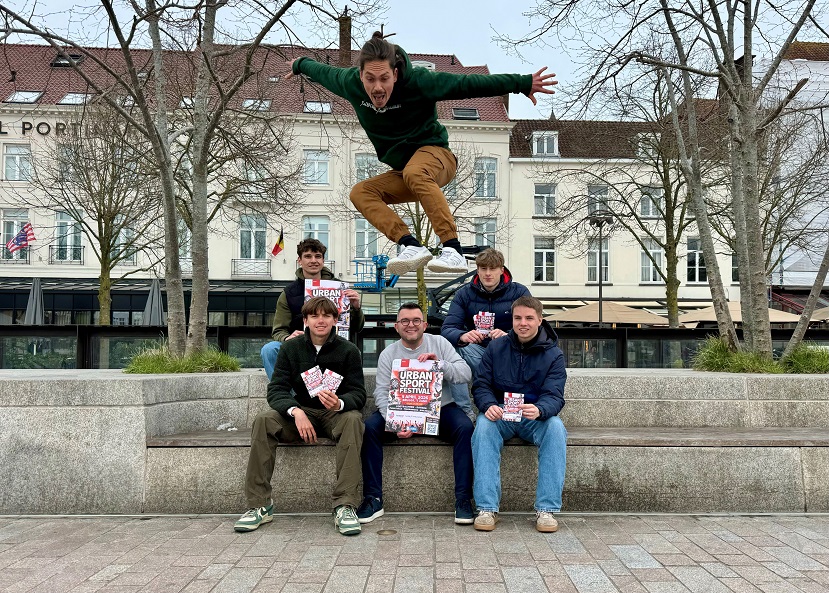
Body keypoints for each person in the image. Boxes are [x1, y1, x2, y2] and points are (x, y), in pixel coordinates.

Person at [286, 32, 558, 277]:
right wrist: (298, 65)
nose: (377, 88)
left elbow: (468, 84)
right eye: (370, 79)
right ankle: (410, 246)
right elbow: (318, 70)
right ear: (360, 75)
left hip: (438, 157)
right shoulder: (349, 83)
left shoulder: (420, 82)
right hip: (405, 172)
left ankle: (452, 249)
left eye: (384, 79)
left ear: (395, 73)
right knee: (361, 192)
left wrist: (522, 82)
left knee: (416, 171)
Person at [236, 296, 367, 536]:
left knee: (353, 420)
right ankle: (259, 505)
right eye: (314, 316)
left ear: (335, 320)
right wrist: (295, 411)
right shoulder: (290, 348)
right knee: (264, 420)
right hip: (300, 414)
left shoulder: (349, 350)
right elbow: (276, 389)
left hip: (333, 416)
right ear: (305, 320)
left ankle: (345, 505)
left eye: (327, 315)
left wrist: (340, 403)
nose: (321, 320)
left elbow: (358, 393)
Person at [356, 303, 476, 525]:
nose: (410, 325)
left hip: (439, 409)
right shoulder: (388, 354)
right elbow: (381, 392)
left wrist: (440, 365)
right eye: (405, 321)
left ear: (425, 325)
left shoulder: (439, 343)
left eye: (416, 321)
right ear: (396, 326)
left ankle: (463, 499)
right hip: (400, 411)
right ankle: (372, 498)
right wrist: (396, 421)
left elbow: (465, 374)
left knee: (465, 428)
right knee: (370, 428)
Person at [471, 296, 567, 533]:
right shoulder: (495, 347)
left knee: (556, 428)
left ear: (540, 320)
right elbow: (481, 384)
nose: (523, 323)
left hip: (533, 418)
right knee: (482, 426)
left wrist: (541, 409)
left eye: (529, 318)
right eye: (517, 318)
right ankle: (487, 508)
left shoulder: (554, 355)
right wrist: (488, 404)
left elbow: (555, 395)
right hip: (500, 415)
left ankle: (546, 510)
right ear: (512, 320)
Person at [440, 249, 530, 414]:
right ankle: (465, 412)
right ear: (478, 270)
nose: (488, 273)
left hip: (510, 353)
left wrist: (509, 336)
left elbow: (533, 327)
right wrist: (463, 336)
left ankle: (514, 414)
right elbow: (447, 329)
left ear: (501, 270)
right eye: (483, 269)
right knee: (452, 350)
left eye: (493, 268)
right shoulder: (464, 294)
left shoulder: (519, 292)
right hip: (479, 353)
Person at [261, 238, 364, 380]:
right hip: (300, 347)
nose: (313, 260)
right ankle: (288, 397)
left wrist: (356, 307)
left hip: (333, 346)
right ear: (300, 260)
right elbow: (279, 330)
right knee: (269, 349)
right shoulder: (289, 293)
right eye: (308, 256)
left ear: (323, 260)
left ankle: (340, 397)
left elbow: (357, 327)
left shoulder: (340, 289)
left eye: (318, 256)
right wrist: (287, 337)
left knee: (354, 351)